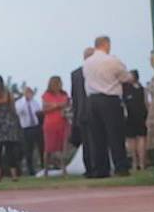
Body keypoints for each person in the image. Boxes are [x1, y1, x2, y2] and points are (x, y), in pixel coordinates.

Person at [83, 36, 132, 177]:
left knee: (97, 136)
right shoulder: (112, 60)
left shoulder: (87, 63)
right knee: (115, 134)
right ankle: (120, 166)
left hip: (92, 100)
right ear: (106, 45)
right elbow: (125, 77)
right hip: (109, 98)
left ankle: (100, 169)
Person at [71, 47, 97, 177]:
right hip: (92, 111)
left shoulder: (76, 74)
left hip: (82, 112)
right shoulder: (96, 71)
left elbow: (75, 97)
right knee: (94, 141)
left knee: (87, 142)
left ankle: (90, 168)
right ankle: (95, 167)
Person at [41, 77, 71, 177]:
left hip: (63, 122)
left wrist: (62, 107)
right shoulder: (47, 95)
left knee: (63, 147)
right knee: (49, 148)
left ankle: (64, 169)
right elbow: (45, 108)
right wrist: (57, 106)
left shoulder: (64, 94)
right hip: (50, 123)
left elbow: (68, 105)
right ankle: (46, 169)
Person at [123, 70, 149, 171]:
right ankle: (136, 162)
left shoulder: (139, 89)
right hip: (132, 117)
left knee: (139, 139)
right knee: (133, 140)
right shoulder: (128, 88)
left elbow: (146, 102)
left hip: (138, 116)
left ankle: (141, 163)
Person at [15, 87, 44, 176]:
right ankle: (31, 170)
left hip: (36, 127)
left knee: (41, 147)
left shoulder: (34, 102)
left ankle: (43, 167)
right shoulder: (19, 103)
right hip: (26, 128)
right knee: (28, 150)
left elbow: (38, 111)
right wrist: (25, 101)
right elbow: (19, 111)